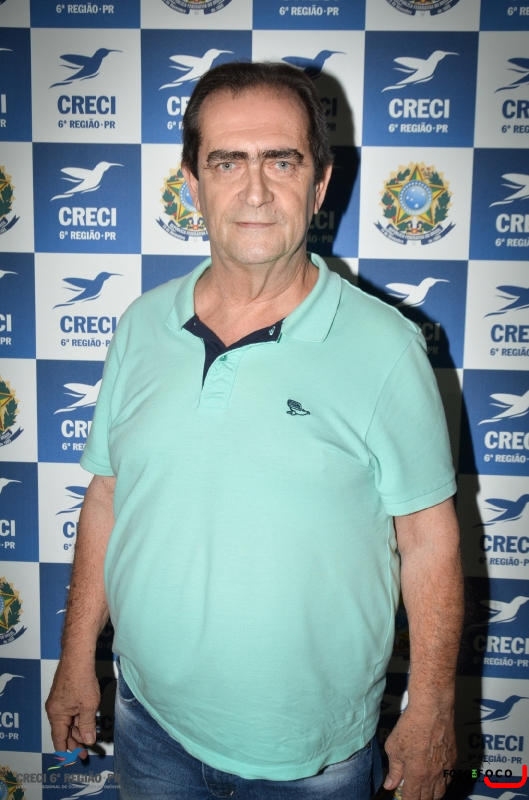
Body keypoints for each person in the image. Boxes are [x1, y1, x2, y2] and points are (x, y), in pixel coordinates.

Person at [46, 61, 464, 800]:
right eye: (227, 162)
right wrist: (76, 657)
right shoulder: (140, 325)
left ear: (320, 183)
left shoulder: (387, 346)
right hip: (149, 723)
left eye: (282, 161)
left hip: (313, 759)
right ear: (192, 182)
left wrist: (430, 707)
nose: (256, 191)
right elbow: (107, 497)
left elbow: (429, 539)